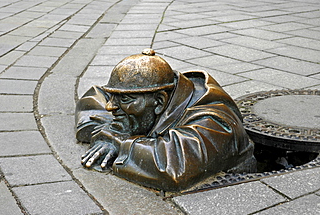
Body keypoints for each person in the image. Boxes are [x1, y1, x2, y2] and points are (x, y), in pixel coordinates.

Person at [75, 49, 256, 191]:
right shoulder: (156, 92)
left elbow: (174, 167)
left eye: (124, 99)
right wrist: (114, 130)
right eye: (115, 97)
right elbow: (93, 100)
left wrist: (118, 142)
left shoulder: (214, 121)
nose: (110, 106)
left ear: (160, 101)